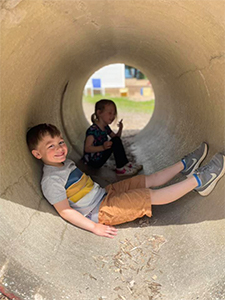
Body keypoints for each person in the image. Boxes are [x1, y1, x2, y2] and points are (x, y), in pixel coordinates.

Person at [26, 123, 225, 239]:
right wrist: (94, 227)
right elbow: (65, 211)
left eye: (60, 142)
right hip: (101, 211)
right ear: (37, 153)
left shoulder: (64, 163)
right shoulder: (51, 180)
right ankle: (201, 181)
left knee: (147, 179)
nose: (59, 148)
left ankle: (185, 165)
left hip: (106, 194)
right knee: (149, 195)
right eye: (50, 146)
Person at [83, 99, 142, 176]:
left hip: (100, 156)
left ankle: (125, 164)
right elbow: (87, 148)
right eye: (110, 113)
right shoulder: (93, 130)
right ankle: (121, 169)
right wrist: (103, 147)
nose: (113, 116)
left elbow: (116, 139)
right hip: (93, 162)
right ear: (99, 113)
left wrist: (120, 128)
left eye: (114, 114)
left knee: (116, 140)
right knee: (115, 141)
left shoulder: (106, 127)